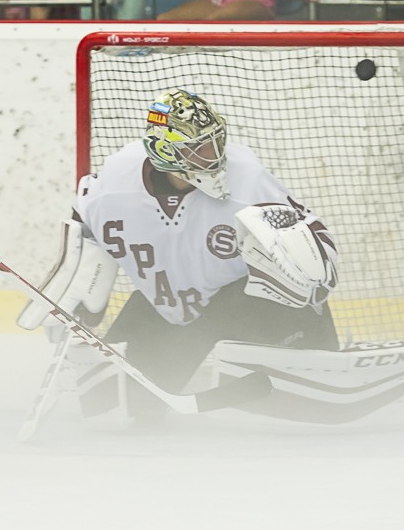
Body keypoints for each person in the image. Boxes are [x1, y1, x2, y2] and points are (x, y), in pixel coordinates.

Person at [19, 88, 339, 422]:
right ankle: (186, 367)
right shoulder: (113, 185)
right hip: (171, 310)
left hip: (240, 303)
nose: (214, 156)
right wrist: (78, 301)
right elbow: (84, 239)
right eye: (199, 150)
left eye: (216, 143)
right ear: (165, 152)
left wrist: (303, 265)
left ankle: (308, 350)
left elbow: (309, 244)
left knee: (306, 382)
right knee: (119, 402)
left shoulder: (247, 179)